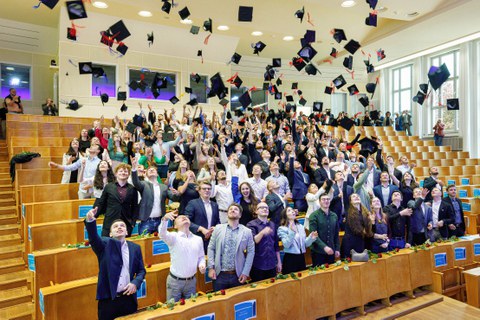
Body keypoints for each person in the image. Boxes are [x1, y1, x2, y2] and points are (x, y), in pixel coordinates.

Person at [84, 208, 146, 320]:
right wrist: (90, 220)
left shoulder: (135, 248)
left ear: (127, 232)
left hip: (128, 299)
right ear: (110, 234)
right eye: (115, 226)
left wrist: (135, 283)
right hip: (108, 301)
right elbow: (93, 237)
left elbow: (141, 271)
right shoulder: (103, 245)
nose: (119, 227)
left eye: (122, 226)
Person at [158, 210, 206, 302]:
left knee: (191, 310)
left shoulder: (198, 239)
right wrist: (164, 219)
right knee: (173, 311)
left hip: (191, 281)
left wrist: (201, 265)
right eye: (180, 218)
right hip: (175, 282)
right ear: (175, 226)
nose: (184, 217)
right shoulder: (173, 237)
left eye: (186, 217)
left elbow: (201, 257)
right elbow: (162, 234)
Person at [207, 203, 255, 291]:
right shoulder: (218, 228)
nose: (233, 210)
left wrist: (245, 272)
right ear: (227, 214)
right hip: (219, 274)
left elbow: (251, 252)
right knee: (219, 302)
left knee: (237, 303)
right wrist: (211, 268)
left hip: (237, 274)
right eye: (230, 209)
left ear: (240, 215)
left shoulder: (247, 231)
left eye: (236, 209)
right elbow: (211, 248)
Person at [93, 164, 139, 236]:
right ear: (116, 174)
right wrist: (93, 217)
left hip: (125, 223)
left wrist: (133, 223)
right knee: (106, 244)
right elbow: (101, 203)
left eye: (125, 171)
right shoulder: (109, 187)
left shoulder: (132, 189)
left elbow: (135, 207)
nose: (123, 173)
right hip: (109, 222)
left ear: (128, 174)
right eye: (120, 171)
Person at [131, 157, 172, 234]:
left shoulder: (163, 187)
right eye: (149, 170)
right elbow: (136, 182)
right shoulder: (144, 184)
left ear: (157, 174)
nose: (152, 170)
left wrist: (177, 192)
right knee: (144, 245)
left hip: (160, 221)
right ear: (146, 175)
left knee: (160, 244)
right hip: (146, 221)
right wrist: (133, 169)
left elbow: (174, 197)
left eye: (153, 170)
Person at [246, 202, 282, 281]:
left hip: (272, 264)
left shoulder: (272, 224)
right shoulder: (251, 224)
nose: (265, 209)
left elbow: (276, 246)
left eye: (266, 208)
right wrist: (262, 232)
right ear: (256, 211)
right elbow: (254, 241)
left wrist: (279, 262)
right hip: (257, 264)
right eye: (262, 207)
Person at [277, 207, 317, 273]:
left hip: (301, 258)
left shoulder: (300, 226)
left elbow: (305, 244)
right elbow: (286, 245)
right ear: (285, 215)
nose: (292, 211)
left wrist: (311, 238)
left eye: (292, 210)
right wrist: (292, 231)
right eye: (289, 211)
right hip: (290, 259)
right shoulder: (282, 228)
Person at [183, 180, 220, 253]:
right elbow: (186, 221)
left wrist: (216, 228)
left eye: (209, 189)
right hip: (196, 239)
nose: (207, 190)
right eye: (204, 189)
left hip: (211, 239)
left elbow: (217, 221)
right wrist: (201, 229)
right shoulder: (193, 203)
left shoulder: (215, 205)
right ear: (199, 191)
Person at [309, 193, 340, 266]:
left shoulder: (334, 216)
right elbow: (314, 235)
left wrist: (337, 249)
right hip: (318, 252)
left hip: (331, 251)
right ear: (319, 202)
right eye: (323, 199)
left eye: (328, 199)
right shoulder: (314, 216)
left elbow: (336, 234)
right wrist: (324, 247)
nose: (326, 201)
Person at [342, 193, 373, 258]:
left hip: (360, 241)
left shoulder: (365, 212)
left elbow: (368, 230)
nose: (356, 197)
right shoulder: (348, 210)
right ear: (350, 201)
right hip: (349, 243)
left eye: (358, 196)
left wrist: (371, 221)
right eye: (353, 196)